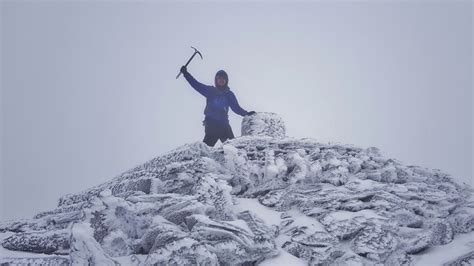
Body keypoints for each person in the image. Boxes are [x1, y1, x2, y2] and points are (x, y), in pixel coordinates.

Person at [180, 65, 256, 147]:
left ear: (226, 81)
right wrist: (186, 73)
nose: (221, 80)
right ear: (216, 80)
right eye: (219, 78)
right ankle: (202, 159)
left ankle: (232, 159)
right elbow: (196, 85)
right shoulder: (210, 91)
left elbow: (236, 108)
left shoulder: (229, 94)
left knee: (233, 147)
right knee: (206, 148)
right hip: (211, 124)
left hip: (224, 125)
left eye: (223, 78)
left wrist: (246, 113)